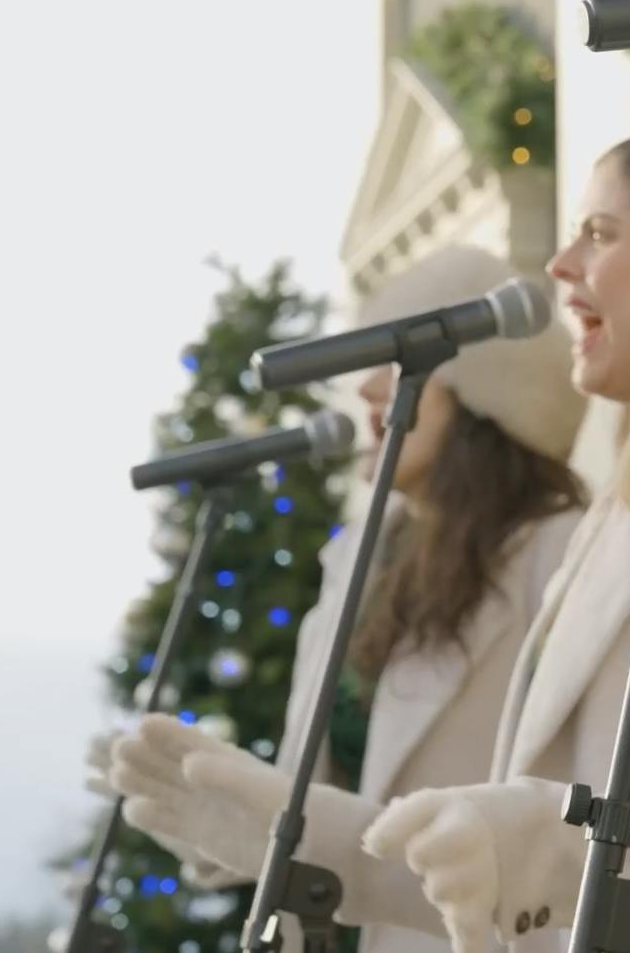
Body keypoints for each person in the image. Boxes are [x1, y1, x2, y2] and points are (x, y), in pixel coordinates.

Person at [116, 125, 630, 953]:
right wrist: (301, 833)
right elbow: (513, 880)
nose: (562, 264)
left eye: (600, 234)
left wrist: (521, 837)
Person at [93, 244, 588, 953]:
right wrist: (216, 816)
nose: (366, 392)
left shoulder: (558, 553)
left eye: (400, 365)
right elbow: (315, 791)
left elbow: (557, 811)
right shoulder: (357, 556)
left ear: (484, 399)